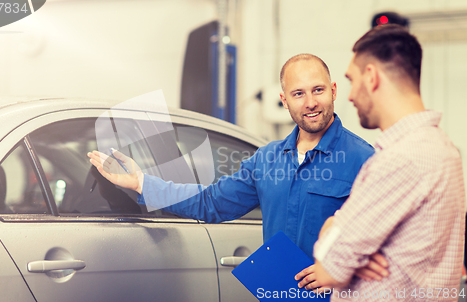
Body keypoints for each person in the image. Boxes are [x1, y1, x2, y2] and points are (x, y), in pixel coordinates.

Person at [88, 54, 381, 290]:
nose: (311, 102)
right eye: (298, 94)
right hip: (282, 295)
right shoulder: (267, 159)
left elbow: (388, 239)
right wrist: (141, 183)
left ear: (333, 91)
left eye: (318, 90)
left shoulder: (364, 159)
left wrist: (344, 268)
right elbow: (211, 202)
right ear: (284, 100)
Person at [313, 25, 465, 301]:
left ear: (371, 76)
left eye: (351, 79)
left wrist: (331, 229)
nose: (348, 95)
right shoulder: (443, 148)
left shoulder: (400, 159)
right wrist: (350, 245)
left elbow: (328, 270)